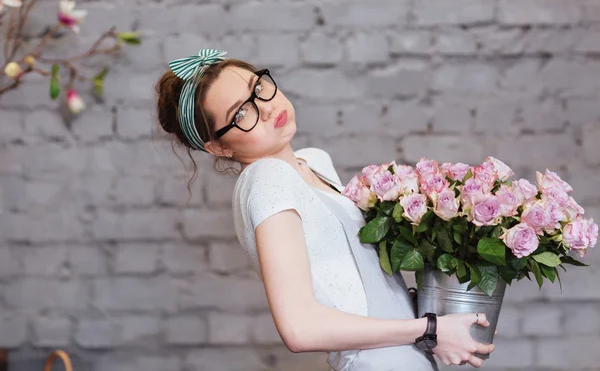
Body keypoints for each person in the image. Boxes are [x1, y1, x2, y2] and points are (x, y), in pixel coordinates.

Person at [154, 49, 495, 371]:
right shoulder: (266, 178)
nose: (266, 107)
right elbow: (299, 328)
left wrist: (424, 309)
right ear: (219, 147)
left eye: (258, 87)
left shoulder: (312, 163)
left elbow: (352, 286)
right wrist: (429, 328)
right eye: (241, 114)